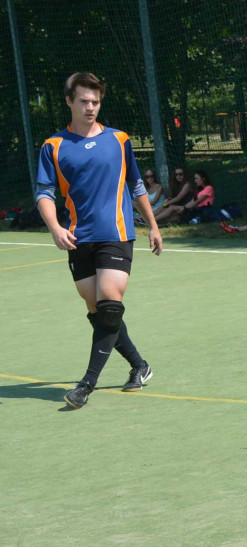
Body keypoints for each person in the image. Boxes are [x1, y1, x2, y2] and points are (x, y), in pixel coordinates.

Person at [35, 72, 162, 409]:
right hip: (78, 238)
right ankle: (140, 365)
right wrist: (55, 228)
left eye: (95, 101)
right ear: (69, 101)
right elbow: (44, 193)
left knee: (109, 303)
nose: (90, 107)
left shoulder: (119, 139)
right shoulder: (54, 146)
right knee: (100, 314)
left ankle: (86, 385)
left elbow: (136, 184)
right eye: (84, 101)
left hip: (117, 234)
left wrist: (153, 225)